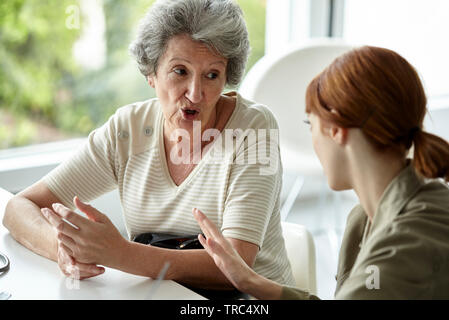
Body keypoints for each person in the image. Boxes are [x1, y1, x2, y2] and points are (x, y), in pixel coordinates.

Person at [2, 0, 295, 293]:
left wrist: (121, 253)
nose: (195, 93)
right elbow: (19, 207)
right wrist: (64, 248)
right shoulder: (128, 129)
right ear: (151, 74)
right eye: (180, 71)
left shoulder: (254, 129)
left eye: (212, 75)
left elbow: (237, 265)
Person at [193, 45, 449, 299]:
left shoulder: (406, 241)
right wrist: (250, 281)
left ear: (336, 129)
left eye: (310, 123)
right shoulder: (366, 218)